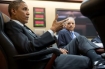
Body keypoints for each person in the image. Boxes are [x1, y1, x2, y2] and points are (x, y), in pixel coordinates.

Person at [4, 1, 105, 69]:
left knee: (79, 39)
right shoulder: (12, 26)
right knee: (87, 60)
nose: (28, 13)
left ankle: (98, 60)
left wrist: (56, 49)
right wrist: (52, 30)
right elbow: (28, 48)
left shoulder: (23, 27)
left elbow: (35, 44)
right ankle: (97, 60)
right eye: (25, 9)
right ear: (14, 11)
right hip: (45, 60)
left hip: (50, 54)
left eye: (28, 10)